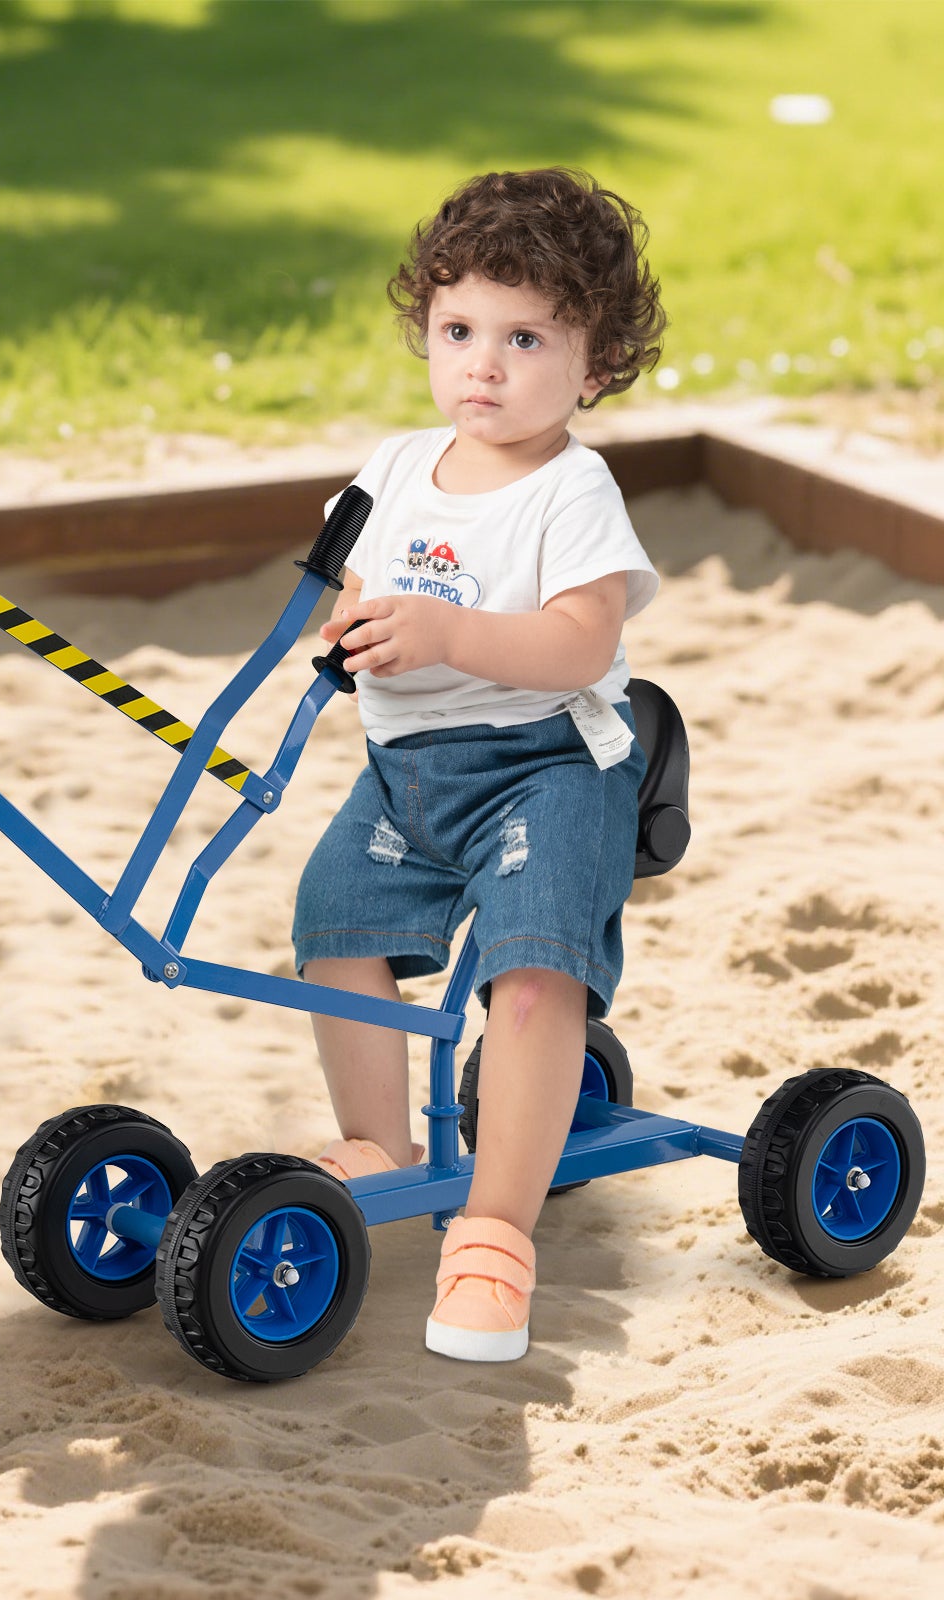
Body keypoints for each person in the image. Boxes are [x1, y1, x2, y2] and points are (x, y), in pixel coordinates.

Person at [291, 167, 667, 1362]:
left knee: (534, 973)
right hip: (407, 771)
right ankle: (376, 1143)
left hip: (548, 767)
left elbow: (581, 642)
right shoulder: (396, 466)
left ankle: (496, 1231)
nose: (482, 367)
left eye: (523, 338)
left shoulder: (572, 488)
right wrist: (346, 627)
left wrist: (449, 632)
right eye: (458, 331)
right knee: (332, 918)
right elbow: (345, 589)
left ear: (594, 364)